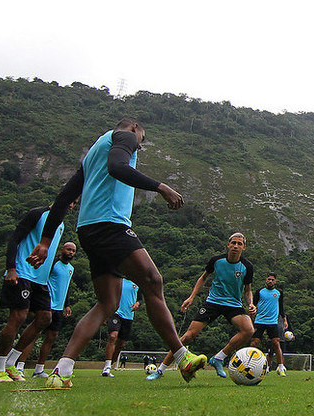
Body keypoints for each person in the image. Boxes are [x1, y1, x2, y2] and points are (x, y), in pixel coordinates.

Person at [26, 118, 206, 387]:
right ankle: (182, 357)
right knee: (152, 281)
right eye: (141, 141)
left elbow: (64, 197)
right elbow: (117, 167)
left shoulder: (93, 153)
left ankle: (62, 370)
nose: (138, 146)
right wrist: (161, 187)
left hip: (88, 230)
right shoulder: (126, 137)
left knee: (107, 303)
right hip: (109, 224)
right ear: (134, 129)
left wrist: (45, 240)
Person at [148, 233, 255, 380]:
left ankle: (218, 358)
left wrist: (250, 303)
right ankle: (160, 370)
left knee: (248, 330)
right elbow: (203, 277)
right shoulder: (216, 261)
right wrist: (191, 297)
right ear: (228, 244)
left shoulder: (247, 266)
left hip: (233, 304)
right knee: (188, 336)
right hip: (213, 302)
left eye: (240, 244)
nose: (236, 246)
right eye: (234, 243)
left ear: (244, 247)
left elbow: (248, 289)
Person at [0, 204, 67, 383]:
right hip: (22, 272)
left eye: (74, 203)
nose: (70, 205)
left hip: (40, 280)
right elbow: (14, 239)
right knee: (18, 317)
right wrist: (10, 268)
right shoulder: (37, 214)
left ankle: (11, 362)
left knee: (45, 318)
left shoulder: (60, 225)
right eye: (69, 200)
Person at [15, 242, 77, 378]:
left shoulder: (71, 269)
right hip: (46, 305)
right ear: (62, 250)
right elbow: (40, 281)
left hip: (59, 308)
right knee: (34, 335)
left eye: (73, 251)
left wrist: (67, 304)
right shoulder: (52, 264)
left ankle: (39, 369)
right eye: (68, 249)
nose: (71, 253)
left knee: (51, 337)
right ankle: (19, 366)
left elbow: (66, 288)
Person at [250, 272, 288, 376]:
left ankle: (280, 367)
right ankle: (250, 365)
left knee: (276, 343)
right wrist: (250, 315)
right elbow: (253, 305)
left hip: (272, 322)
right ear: (266, 280)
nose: (270, 281)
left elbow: (281, 307)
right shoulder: (259, 291)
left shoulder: (279, 293)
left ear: (275, 281)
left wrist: (285, 320)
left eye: (272, 280)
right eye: (268, 279)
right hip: (260, 321)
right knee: (254, 343)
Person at [101, 278, 141, 377]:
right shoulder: (117, 281)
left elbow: (140, 299)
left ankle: (110, 365)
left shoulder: (137, 283)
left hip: (129, 316)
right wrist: (105, 314)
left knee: (121, 344)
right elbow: (107, 296)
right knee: (113, 336)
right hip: (116, 313)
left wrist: (138, 303)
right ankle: (107, 367)